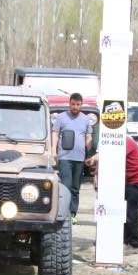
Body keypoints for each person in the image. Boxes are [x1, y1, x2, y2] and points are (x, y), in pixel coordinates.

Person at [87, 136, 138, 254]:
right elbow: (105, 157)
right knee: (120, 212)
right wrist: (96, 174)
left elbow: (112, 155)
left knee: (131, 214)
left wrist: (95, 158)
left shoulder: (126, 141)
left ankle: (134, 245)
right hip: (128, 181)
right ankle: (119, 241)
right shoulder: (110, 140)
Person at [51, 93, 93, 221]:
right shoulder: (61, 118)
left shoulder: (86, 119)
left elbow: (88, 136)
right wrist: (54, 151)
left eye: (78, 104)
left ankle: (73, 214)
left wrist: (89, 148)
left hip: (79, 159)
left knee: (75, 188)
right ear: (69, 103)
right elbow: (55, 134)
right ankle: (64, 214)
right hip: (65, 158)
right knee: (66, 186)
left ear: (81, 104)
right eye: (73, 104)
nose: (75, 107)